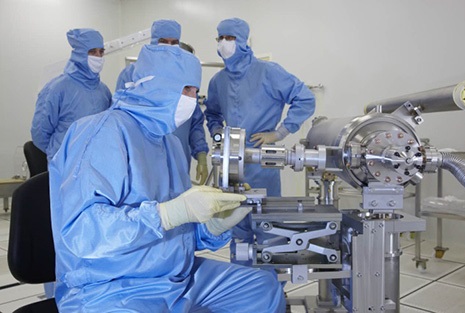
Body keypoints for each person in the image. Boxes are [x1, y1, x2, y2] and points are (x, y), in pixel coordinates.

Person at [48, 44, 286, 312]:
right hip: (111, 287)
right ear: (153, 84)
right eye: (186, 89)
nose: (192, 99)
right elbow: (83, 233)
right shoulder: (102, 133)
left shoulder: (169, 143)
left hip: (177, 279)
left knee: (262, 290)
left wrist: (212, 227)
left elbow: (180, 233)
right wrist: (167, 214)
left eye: (196, 91)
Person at [204, 17, 316, 267]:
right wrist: (217, 134)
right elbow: (211, 113)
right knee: (237, 228)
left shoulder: (269, 72)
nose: (224, 43)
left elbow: (305, 98)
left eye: (230, 38)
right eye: (220, 38)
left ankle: (271, 290)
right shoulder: (218, 81)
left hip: (263, 163)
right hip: (232, 165)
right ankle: (244, 289)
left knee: (268, 227)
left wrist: (280, 133)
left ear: (243, 41)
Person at [116, 19, 209, 185]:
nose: (168, 46)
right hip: (143, 156)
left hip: (178, 154)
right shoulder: (132, 75)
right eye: (163, 42)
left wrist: (201, 154)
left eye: (173, 43)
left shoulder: (184, 78)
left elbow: (194, 121)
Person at [31, 28, 112, 161]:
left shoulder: (103, 91)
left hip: (96, 162)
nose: (98, 57)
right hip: (66, 164)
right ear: (79, 54)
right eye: (92, 52)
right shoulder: (57, 88)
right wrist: (60, 154)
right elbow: (39, 133)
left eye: (101, 52)